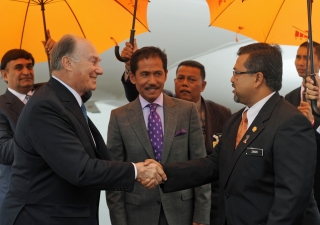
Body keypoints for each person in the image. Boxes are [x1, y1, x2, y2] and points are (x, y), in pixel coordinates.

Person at [145, 43, 320, 225]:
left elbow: (293, 198)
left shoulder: (289, 122)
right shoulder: (235, 120)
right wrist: (163, 172)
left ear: (258, 78)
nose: (232, 78)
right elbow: (213, 164)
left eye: (237, 73)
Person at [0, 34, 166, 225]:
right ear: (68, 63)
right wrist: (136, 171)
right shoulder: (45, 106)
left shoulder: (66, 101)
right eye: (93, 61)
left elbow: (98, 158)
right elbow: (81, 169)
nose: (100, 70)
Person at [120, 42, 231, 225]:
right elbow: (140, 93)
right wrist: (131, 64)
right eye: (181, 78)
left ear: (203, 85)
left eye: (191, 80)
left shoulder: (222, 113)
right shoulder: (162, 105)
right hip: (153, 203)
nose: (185, 84)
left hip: (206, 201)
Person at [285, 41, 320, 211]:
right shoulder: (289, 97)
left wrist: (313, 122)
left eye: (306, 58)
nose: (300, 62)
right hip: (295, 178)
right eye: (298, 56)